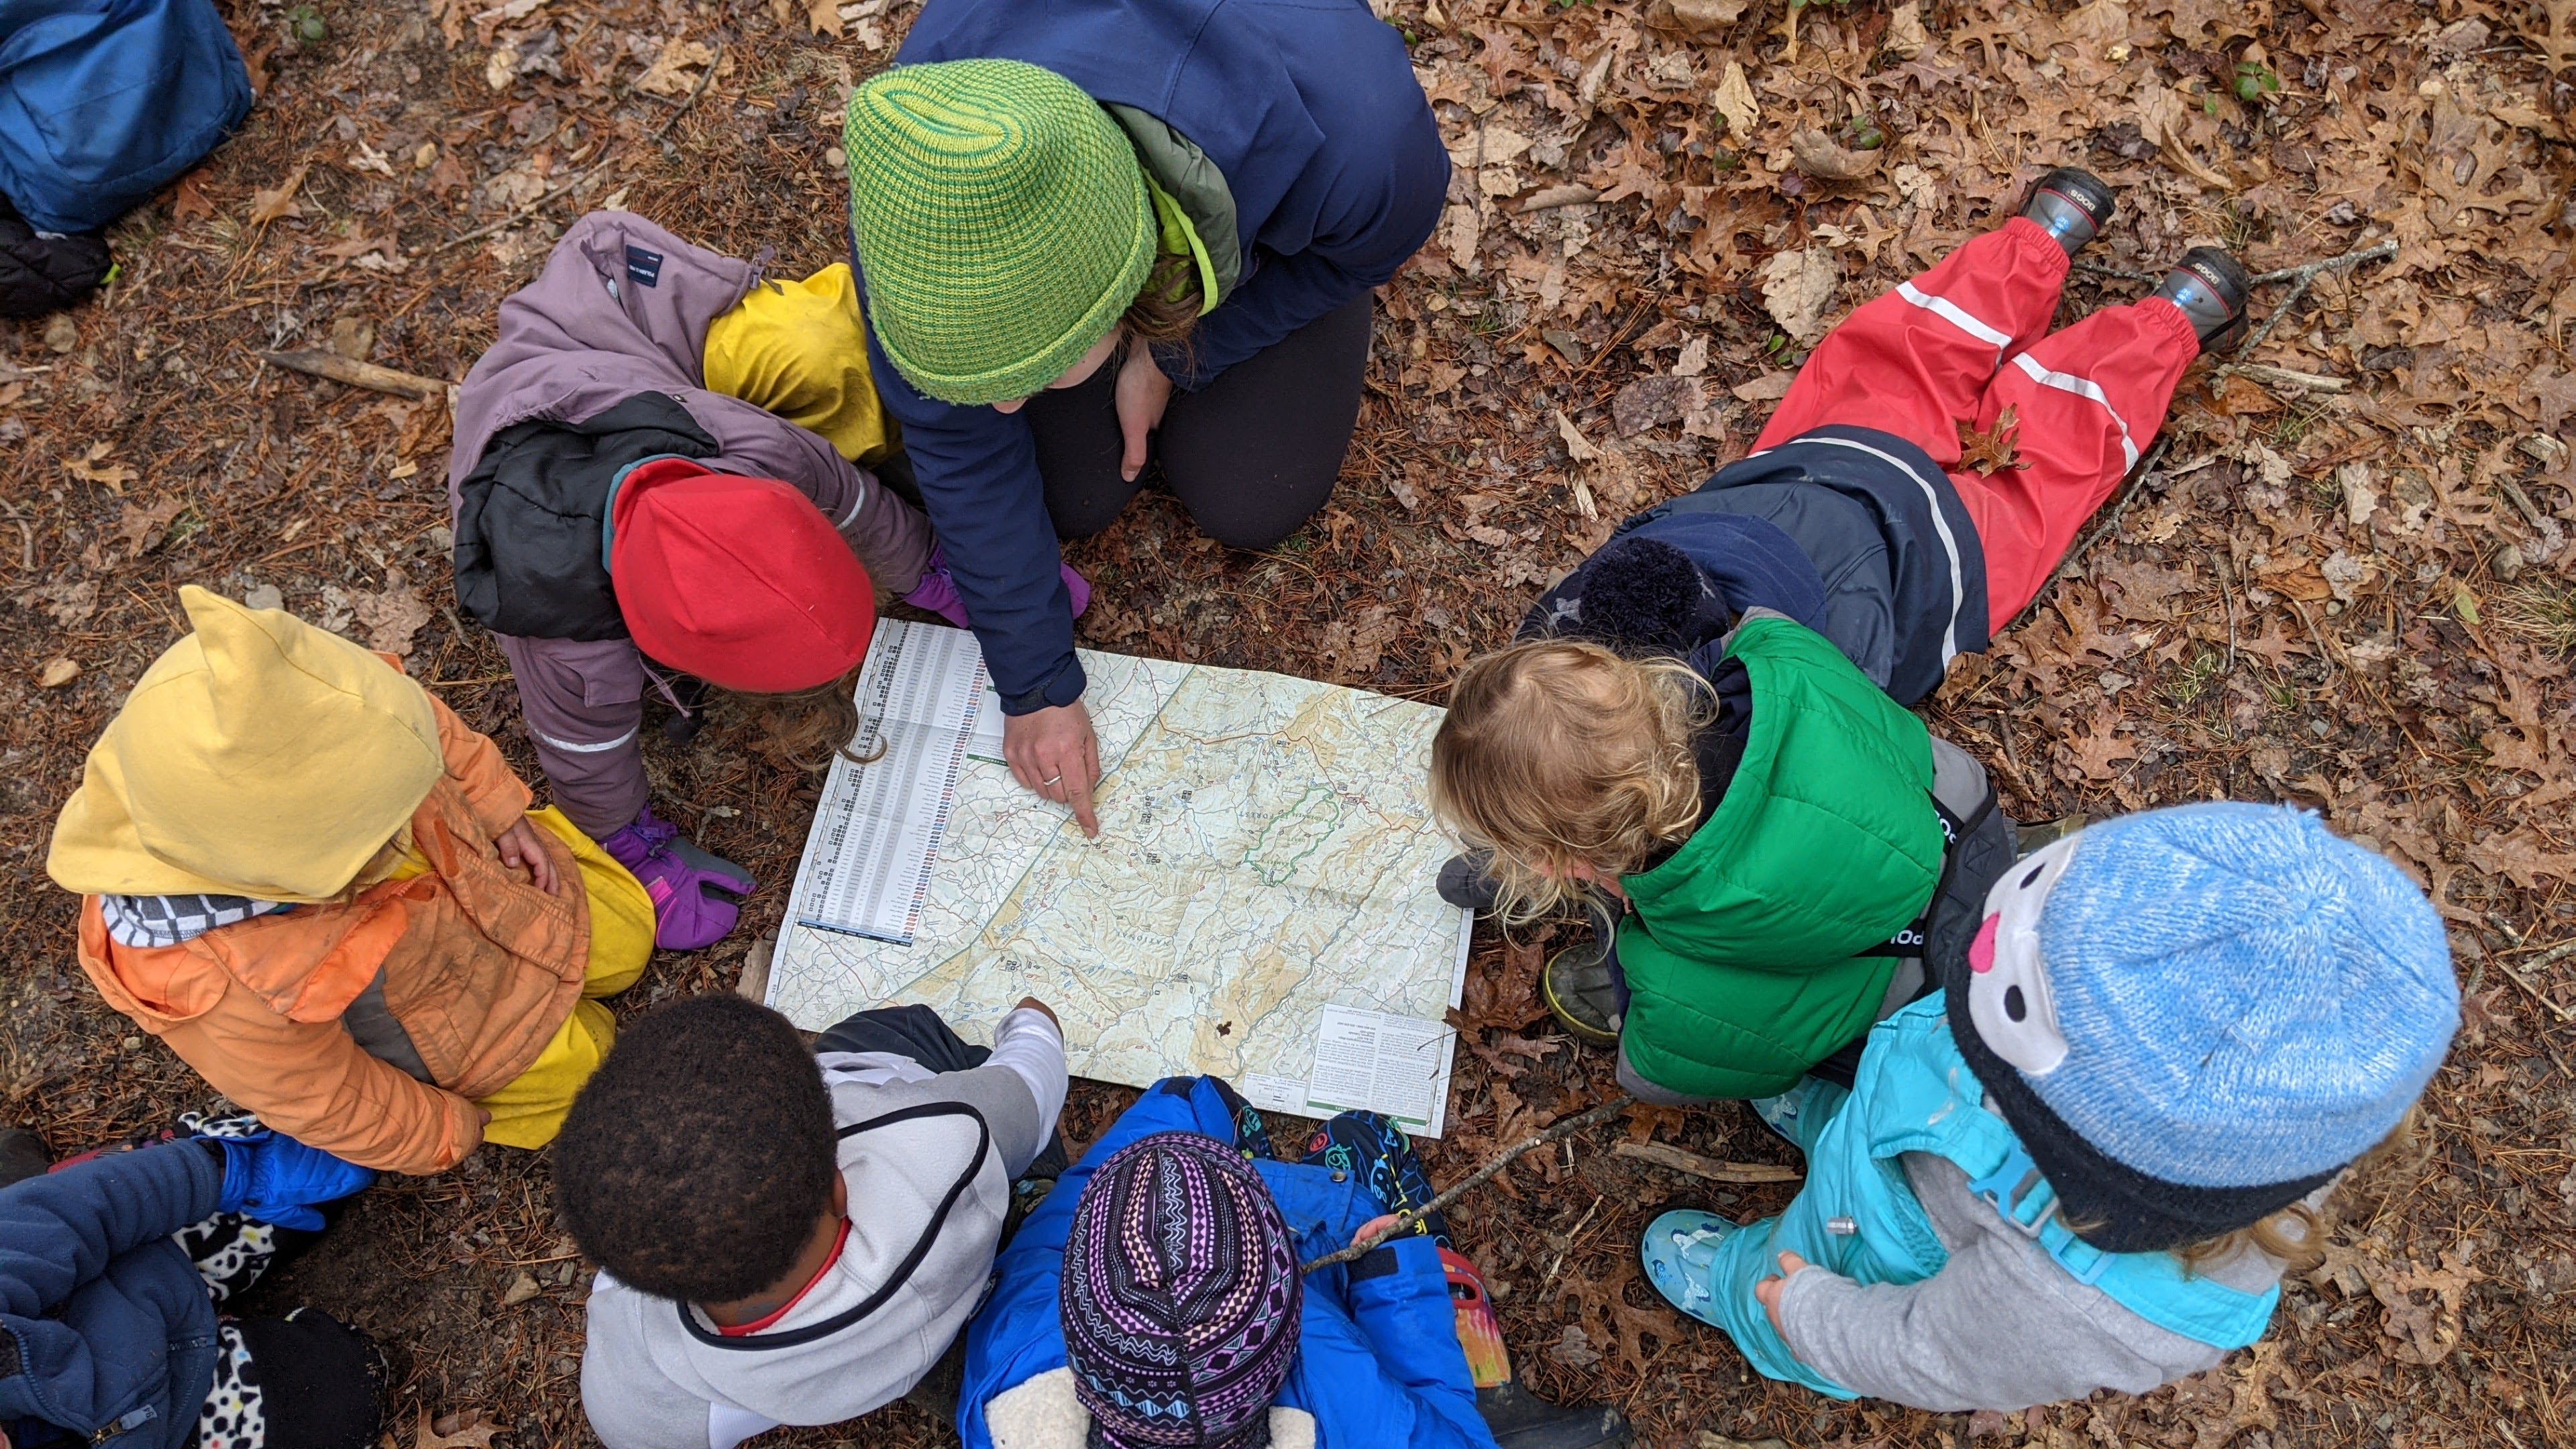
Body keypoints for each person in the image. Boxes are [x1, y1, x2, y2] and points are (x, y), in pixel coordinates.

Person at [839, 0, 1448, 835]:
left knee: (1251, 498)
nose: (1004, 408)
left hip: (1265, 195)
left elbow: (1362, 252)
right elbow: (956, 436)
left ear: (1124, 284)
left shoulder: (1360, 145)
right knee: (1073, 496)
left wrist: (1175, 354)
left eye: (1030, 372)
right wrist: (1036, 684)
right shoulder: (922, 173)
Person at [1637, 804, 2457, 1410]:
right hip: (1912, 1127)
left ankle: (1746, 1298)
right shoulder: (2290, 1099)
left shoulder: (2077, 1303)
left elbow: (1928, 1354)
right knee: (1856, 1135)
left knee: (1791, 1263)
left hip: (1886, 1246)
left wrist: (1811, 1315)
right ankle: (1829, 1132)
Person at [449, 211, 1088, 950]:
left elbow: (850, 500)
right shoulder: (561, 633)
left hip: (620, 341)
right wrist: (625, 843)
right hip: (554, 381)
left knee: (813, 352)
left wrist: (944, 574)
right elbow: (582, 750)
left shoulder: (743, 442)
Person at [1520, 166, 2250, 710]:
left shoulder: (1703, 778)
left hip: (1924, 580)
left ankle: (2178, 318)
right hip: (1804, 491)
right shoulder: (1542, 662)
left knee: (2040, 470)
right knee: (1903, 371)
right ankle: (2049, 232)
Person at [50, 586, 658, 1175]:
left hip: (489, 882)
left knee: (629, 939)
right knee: (591, 1079)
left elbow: (416, 720)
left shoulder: (319, 696)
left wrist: (496, 807)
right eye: (379, 839)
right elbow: (322, 1094)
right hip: (451, 1021)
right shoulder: (211, 978)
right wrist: (438, 1132)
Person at [1428, 607, 2016, 1104]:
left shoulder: (1676, 994)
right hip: (1961, 812)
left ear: (1557, 865)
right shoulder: (1774, 651)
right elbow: (1759, 626)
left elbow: (1648, 1072)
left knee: (1752, 1054)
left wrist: (1637, 940)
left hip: (1935, 995)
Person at [958, 1076, 1629, 1449]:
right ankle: (1494, 1393)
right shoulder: (1344, 1388)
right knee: (1361, 1138)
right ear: (1285, 1322)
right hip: (1356, 1342)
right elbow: (1439, 1430)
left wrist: (1176, 1116)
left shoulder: (1014, 1381)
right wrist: (1390, 1280)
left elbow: (1046, 1244)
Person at [558, 993, 1069, 1449]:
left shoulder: (642, 1403)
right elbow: (1029, 1088)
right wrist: (1033, 1021)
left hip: (856, 1366)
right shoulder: (949, 1139)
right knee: (893, 1029)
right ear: (837, 1189)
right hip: (968, 1257)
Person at [0, 1119, 383, 1449]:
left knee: (331, 1148)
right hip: (165, 1417)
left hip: (129, 1271)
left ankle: (39, 1177)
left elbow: (78, 1209)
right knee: (348, 1390)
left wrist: (227, 1173)